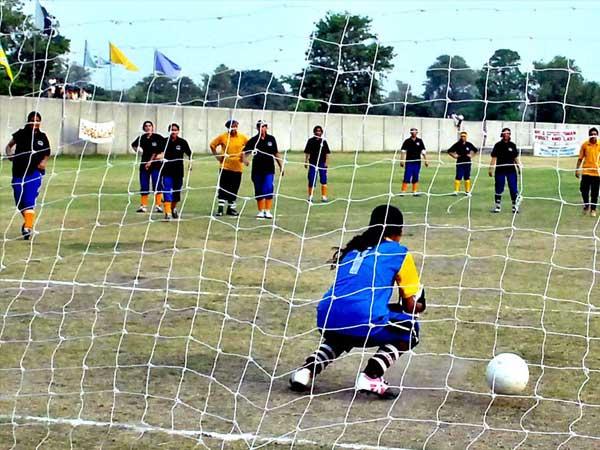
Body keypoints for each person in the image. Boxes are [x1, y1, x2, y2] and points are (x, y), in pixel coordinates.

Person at [289, 205, 425, 399]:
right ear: (399, 232)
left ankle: (305, 371)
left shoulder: (353, 249)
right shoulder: (399, 252)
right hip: (361, 316)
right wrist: (421, 301)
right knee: (410, 328)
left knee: (343, 334)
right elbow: (411, 307)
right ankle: (371, 375)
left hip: (327, 315)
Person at [5, 111, 51, 240]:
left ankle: (28, 227)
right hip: (18, 172)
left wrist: (43, 161)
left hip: (34, 173)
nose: (34, 123)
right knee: (20, 202)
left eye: (37, 120)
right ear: (28, 121)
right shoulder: (21, 134)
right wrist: (9, 154)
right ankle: (27, 222)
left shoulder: (42, 137)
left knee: (29, 200)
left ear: (39, 122)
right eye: (32, 120)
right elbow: (9, 146)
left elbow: (47, 152)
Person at [244, 120, 284, 219]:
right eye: (260, 126)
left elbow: (276, 153)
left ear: (267, 127)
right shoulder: (254, 140)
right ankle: (261, 211)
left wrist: (281, 166)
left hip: (269, 168)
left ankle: (268, 210)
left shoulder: (271, 139)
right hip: (257, 169)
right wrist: (245, 161)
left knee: (269, 187)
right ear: (257, 128)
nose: (262, 128)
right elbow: (245, 153)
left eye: (264, 126)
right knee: (258, 189)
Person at [209, 119, 249, 216]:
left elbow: (250, 146)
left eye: (236, 126)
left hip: (237, 167)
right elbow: (212, 145)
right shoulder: (223, 137)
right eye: (232, 126)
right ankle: (220, 209)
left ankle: (231, 209)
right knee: (223, 187)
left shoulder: (242, 137)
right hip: (225, 167)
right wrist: (217, 156)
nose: (234, 128)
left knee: (234, 188)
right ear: (228, 128)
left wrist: (244, 158)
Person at [154, 123, 192, 221]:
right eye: (171, 130)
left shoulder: (182, 142)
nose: (173, 132)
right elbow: (158, 154)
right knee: (167, 190)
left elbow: (189, 154)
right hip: (166, 171)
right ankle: (168, 212)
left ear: (178, 131)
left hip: (178, 171)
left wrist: (190, 164)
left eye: (175, 130)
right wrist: (159, 157)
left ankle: (173, 207)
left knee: (176, 192)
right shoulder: (164, 141)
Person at [131, 120, 165, 213]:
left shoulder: (158, 137)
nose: (148, 127)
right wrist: (139, 151)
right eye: (146, 126)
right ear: (144, 128)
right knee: (144, 184)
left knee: (156, 184)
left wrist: (154, 159)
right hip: (144, 165)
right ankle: (143, 206)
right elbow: (133, 145)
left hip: (156, 165)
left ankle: (158, 205)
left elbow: (160, 150)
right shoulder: (142, 138)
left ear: (152, 127)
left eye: (149, 126)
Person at [489, 127, 521, 213]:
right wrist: (491, 169)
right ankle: (497, 206)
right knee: (499, 187)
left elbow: (516, 158)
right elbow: (494, 158)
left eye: (509, 133)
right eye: (506, 133)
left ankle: (515, 207)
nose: (507, 135)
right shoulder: (498, 145)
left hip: (511, 171)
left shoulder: (512, 145)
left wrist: (519, 167)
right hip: (500, 170)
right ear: (502, 134)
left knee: (513, 188)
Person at [576, 127, 600, 217]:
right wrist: (577, 170)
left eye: (595, 134)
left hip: (596, 173)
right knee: (583, 190)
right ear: (589, 135)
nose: (593, 135)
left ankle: (593, 210)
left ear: (597, 135)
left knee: (595, 192)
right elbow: (580, 159)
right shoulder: (585, 145)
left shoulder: (599, 145)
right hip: (586, 172)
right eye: (592, 134)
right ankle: (586, 205)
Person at [304, 125, 331, 203]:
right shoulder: (310, 141)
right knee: (311, 179)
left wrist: (326, 163)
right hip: (312, 163)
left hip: (322, 163)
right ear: (314, 132)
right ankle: (310, 196)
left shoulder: (324, 141)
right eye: (316, 131)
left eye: (319, 131)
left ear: (321, 132)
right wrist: (306, 161)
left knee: (323, 179)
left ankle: (324, 196)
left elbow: (327, 153)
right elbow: (307, 152)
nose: (318, 132)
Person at [448, 131, 478, 195]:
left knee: (467, 176)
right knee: (458, 176)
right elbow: (449, 151)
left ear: (466, 137)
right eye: (461, 136)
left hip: (467, 163)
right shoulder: (457, 144)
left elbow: (475, 150)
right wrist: (454, 156)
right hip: (460, 163)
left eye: (464, 136)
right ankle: (456, 191)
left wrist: (471, 155)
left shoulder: (469, 144)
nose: (463, 137)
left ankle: (467, 191)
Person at [400, 128, 428, 195]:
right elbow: (403, 151)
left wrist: (426, 160)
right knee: (407, 175)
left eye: (415, 132)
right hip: (409, 161)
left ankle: (414, 191)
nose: (414, 133)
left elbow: (423, 151)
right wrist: (402, 160)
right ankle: (403, 191)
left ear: (417, 133)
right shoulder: (407, 141)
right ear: (410, 133)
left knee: (416, 175)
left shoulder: (420, 141)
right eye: (412, 132)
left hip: (417, 161)